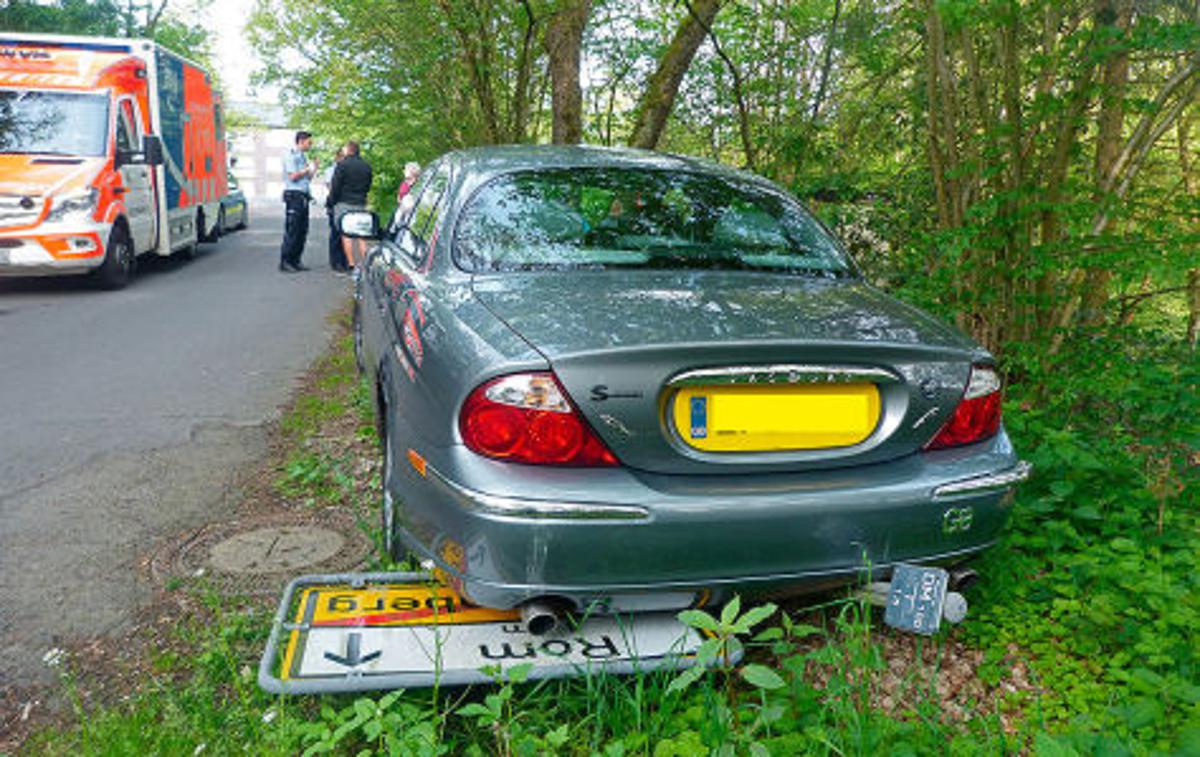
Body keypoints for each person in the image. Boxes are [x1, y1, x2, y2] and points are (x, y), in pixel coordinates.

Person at [326, 140, 373, 270]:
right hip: (360, 203)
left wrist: (330, 202)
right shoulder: (367, 166)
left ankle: (351, 264)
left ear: (349, 150)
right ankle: (365, 265)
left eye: (344, 149)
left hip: (344, 203)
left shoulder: (342, 165)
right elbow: (368, 186)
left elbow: (335, 187)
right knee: (361, 236)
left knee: (346, 235)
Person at [280, 130, 317, 273]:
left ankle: (296, 260)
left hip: (304, 196)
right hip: (294, 196)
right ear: (301, 141)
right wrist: (307, 169)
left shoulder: (303, 157)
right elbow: (293, 176)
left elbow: (307, 179)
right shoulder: (290, 155)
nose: (310, 145)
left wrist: (313, 169)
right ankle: (286, 261)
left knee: (302, 230)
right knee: (293, 230)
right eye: (309, 142)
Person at [324, 148, 349, 273]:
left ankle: (345, 261)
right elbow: (330, 187)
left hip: (345, 203)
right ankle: (336, 262)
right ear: (338, 157)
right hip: (335, 203)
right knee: (335, 233)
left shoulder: (347, 170)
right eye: (343, 157)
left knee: (345, 233)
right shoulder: (331, 170)